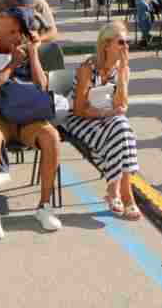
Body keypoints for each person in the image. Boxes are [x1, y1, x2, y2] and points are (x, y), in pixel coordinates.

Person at [0, 8, 62, 240]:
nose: (13, 36)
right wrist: (12, 65)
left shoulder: (26, 51)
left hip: (25, 114)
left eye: (16, 31)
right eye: (7, 32)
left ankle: (44, 206)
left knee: (51, 137)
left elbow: (42, 87)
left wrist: (32, 54)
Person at [61, 21, 141, 219]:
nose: (126, 47)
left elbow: (122, 106)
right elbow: (79, 109)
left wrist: (122, 73)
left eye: (127, 42)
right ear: (106, 44)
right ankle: (125, 195)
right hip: (80, 118)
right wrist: (106, 114)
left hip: (108, 119)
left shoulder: (122, 69)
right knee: (122, 131)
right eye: (121, 42)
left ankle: (116, 190)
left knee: (123, 128)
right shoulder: (87, 68)